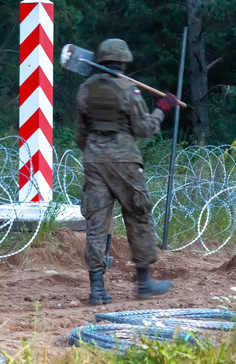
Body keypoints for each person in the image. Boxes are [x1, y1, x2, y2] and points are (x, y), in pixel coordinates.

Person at [74, 38, 178, 304]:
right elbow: (144, 129)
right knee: (138, 215)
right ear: (123, 61)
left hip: (94, 160)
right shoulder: (128, 88)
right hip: (125, 161)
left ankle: (97, 289)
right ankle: (144, 282)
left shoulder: (85, 89)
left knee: (96, 224)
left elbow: (80, 133)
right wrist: (162, 109)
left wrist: (95, 152)